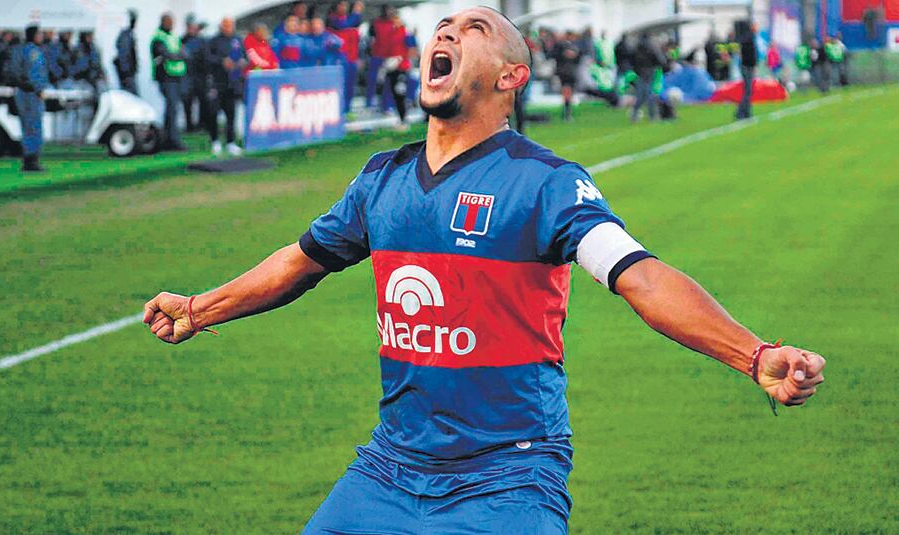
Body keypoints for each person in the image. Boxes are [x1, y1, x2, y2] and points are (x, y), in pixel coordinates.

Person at [143, 7, 827, 533]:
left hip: (509, 474)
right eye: (441, 28)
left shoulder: (547, 183)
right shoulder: (380, 179)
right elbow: (299, 263)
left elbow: (639, 276)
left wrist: (754, 355)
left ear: (510, 77)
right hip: (387, 467)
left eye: (472, 29)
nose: (447, 32)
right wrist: (201, 309)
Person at [205, 17, 246, 157]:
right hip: (217, 83)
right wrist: (221, 61)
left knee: (231, 114)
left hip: (233, 83)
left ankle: (230, 142)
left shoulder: (238, 40)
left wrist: (241, 62)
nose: (228, 28)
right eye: (225, 26)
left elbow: (244, 56)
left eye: (230, 26)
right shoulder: (213, 41)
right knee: (213, 113)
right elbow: (207, 58)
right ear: (221, 26)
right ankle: (215, 141)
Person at [11, 23, 48, 172]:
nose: (41, 36)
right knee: (32, 126)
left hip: (29, 92)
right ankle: (31, 160)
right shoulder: (31, 52)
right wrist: (37, 89)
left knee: (31, 126)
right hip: (29, 93)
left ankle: (31, 159)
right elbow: (32, 74)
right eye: (39, 34)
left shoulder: (28, 50)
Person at [151, 12, 187, 151]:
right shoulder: (158, 37)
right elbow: (168, 55)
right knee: (171, 109)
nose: (171, 24)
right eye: (169, 22)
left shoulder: (173, 36)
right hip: (165, 77)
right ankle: (172, 140)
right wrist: (177, 55)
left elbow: (184, 53)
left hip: (176, 76)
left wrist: (177, 55)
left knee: (172, 109)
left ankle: (167, 140)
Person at [378, 9, 414, 129]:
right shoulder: (390, 34)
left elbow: (412, 50)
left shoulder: (405, 33)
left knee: (400, 92)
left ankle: (404, 120)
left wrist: (404, 61)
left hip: (402, 68)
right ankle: (401, 119)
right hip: (392, 68)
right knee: (394, 93)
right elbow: (386, 51)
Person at [327, 0, 363, 113]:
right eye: (341, 5)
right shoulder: (333, 19)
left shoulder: (351, 23)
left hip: (351, 60)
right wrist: (356, 13)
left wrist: (359, 58)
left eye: (345, 5)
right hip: (337, 61)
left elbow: (357, 42)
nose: (344, 7)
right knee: (338, 86)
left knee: (349, 86)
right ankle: (337, 110)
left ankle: (347, 109)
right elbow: (342, 25)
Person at [631, 32, 665, 122]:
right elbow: (660, 60)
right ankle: (652, 116)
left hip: (640, 73)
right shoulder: (652, 47)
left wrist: (637, 70)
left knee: (640, 95)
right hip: (650, 72)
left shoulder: (636, 48)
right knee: (650, 94)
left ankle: (634, 114)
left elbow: (633, 61)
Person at [181, 15, 207, 132]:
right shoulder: (182, 40)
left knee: (202, 101)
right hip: (186, 76)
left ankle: (202, 124)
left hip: (200, 76)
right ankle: (189, 126)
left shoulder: (202, 41)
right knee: (187, 102)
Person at [551, 31, 581, 121]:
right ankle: (566, 113)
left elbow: (578, 58)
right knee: (566, 92)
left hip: (570, 72)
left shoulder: (573, 46)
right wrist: (564, 54)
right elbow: (552, 55)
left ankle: (567, 112)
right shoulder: (559, 46)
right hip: (564, 72)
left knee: (569, 93)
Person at [114, 9, 139, 95]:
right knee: (130, 97)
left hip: (128, 73)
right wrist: (127, 73)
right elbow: (123, 55)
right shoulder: (125, 35)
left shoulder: (129, 34)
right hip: (127, 74)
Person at [735, 22, 757, 120]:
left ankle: (746, 112)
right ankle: (741, 112)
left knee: (748, 91)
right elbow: (750, 54)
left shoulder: (747, 37)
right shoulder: (748, 37)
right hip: (747, 66)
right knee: (748, 91)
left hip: (747, 66)